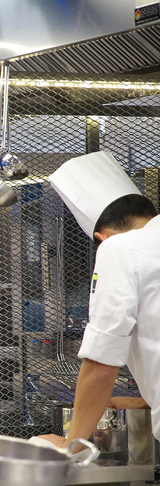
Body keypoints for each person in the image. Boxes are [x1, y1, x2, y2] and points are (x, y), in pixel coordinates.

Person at [38, 151, 159, 446]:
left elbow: (101, 364)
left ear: (102, 237)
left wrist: (72, 444)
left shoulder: (121, 248)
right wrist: (148, 401)